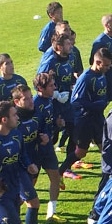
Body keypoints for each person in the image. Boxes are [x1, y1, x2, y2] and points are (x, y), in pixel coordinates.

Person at [54, 48, 112, 180]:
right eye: (106, 65)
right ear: (97, 62)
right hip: (85, 121)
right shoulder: (86, 78)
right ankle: (60, 172)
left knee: (105, 147)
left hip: (98, 118)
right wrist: (94, 105)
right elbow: (75, 100)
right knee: (81, 152)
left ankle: (110, 175)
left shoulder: (101, 75)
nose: (108, 67)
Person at [10, 84, 54, 224]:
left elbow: (44, 126)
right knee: (33, 203)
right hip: (20, 167)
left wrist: (46, 136)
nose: (30, 101)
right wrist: (27, 163)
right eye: (26, 99)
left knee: (20, 200)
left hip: (33, 163)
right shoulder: (13, 119)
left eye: (30, 97)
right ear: (16, 102)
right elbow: (15, 146)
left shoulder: (36, 112)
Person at [36, 34, 81, 180]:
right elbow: (38, 81)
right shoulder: (50, 62)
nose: (71, 46)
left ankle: (66, 168)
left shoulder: (70, 58)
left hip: (68, 105)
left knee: (74, 133)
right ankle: (38, 163)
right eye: (68, 44)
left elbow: (70, 77)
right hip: (53, 106)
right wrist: (55, 94)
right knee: (52, 138)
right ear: (59, 47)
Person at [33, 72, 67, 223]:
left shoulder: (49, 101)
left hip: (48, 149)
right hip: (35, 151)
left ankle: (51, 213)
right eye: (51, 85)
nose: (55, 87)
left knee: (55, 177)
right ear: (40, 88)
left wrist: (57, 124)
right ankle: (9, 215)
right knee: (30, 185)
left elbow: (49, 122)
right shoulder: (33, 104)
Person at [90, 14, 112, 103]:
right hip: (103, 78)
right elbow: (92, 61)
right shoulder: (100, 42)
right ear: (107, 25)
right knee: (102, 104)